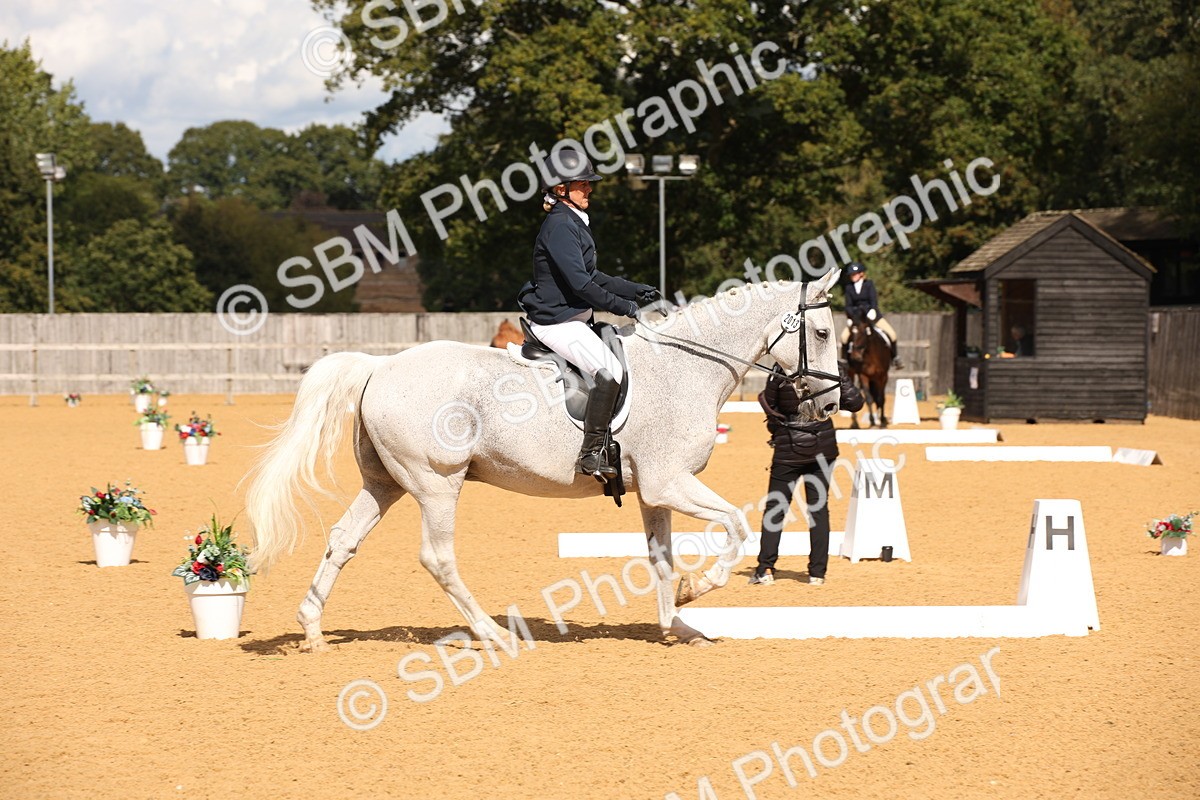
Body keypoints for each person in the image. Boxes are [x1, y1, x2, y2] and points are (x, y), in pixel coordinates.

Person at [518, 148, 658, 480]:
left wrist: (635, 289)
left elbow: (594, 276)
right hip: (558, 323)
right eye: (583, 184)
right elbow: (581, 284)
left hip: (574, 319)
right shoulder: (560, 226)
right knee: (609, 372)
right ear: (561, 189)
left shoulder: (572, 222)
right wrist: (625, 308)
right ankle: (592, 452)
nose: (590, 189)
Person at [750, 365, 864, 586]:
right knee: (818, 510)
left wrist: (779, 433)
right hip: (823, 447)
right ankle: (817, 573)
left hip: (788, 449)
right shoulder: (830, 365)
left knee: (775, 510)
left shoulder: (779, 369)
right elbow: (855, 403)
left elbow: (771, 406)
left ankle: (765, 568)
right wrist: (840, 375)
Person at [840, 262, 905, 369]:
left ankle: (895, 358)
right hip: (857, 319)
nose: (852, 276)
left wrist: (873, 310)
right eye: (851, 275)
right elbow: (848, 306)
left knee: (892, 334)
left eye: (854, 274)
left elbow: (873, 301)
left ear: (861, 274)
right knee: (844, 337)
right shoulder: (849, 288)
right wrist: (851, 317)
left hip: (872, 316)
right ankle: (844, 361)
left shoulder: (869, 284)